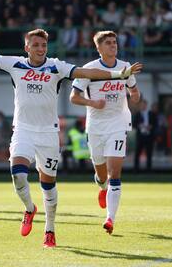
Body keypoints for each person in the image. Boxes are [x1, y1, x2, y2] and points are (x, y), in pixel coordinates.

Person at [0, 21, 142, 247]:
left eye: (44, 44)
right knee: (18, 175)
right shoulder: (15, 64)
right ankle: (29, 209)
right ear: (27, 47)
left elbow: (86, 72)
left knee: (48, 186)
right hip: (23, 130)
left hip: (48, 134)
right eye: (35, 45)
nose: (40, 48)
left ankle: (50, 231)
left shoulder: (55, 66)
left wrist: (116, 74)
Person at [70, 31, 141, 234]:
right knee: (101, 175)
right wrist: (92, 102)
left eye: (114, 42)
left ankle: (110, 218)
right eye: (108, 43)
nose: (113, 46)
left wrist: (135, 95)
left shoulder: (125, 67)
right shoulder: (89, 69)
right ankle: (102, 188)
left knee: (114, 173)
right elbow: (73, 97)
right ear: (99, 48)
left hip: (118, 124)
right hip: (96, 126)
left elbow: (133, 90)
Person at [133, 99, 157, 173]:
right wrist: (139, 126)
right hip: (140, 136)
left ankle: (149, 170)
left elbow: (155, 123)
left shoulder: (151, 113)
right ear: (140, 105)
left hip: (149, 136)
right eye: (142, 105)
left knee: (149, 153)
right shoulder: (137, 114)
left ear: (146, 105)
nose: (143, 106)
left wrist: (150, 126)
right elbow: (134, 124)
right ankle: (136, 170)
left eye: (144, 104)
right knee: (137, 153)